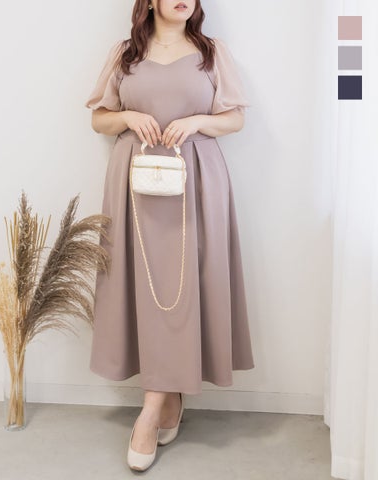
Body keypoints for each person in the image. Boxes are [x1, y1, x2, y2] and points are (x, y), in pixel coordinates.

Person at [85, 0, 255, 471]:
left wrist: (197, 121)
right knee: (146, 291)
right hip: (135, 183)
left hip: (196, 179)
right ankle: (168, 399)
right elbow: (99, 117)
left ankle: (150, 411)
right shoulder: (126, 53)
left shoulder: (211, 52)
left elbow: (235, 118)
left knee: (185, 288)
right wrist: (126, 118)